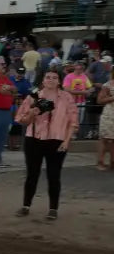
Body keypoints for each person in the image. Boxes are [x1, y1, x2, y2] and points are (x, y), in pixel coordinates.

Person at [15, 69, 78, 219]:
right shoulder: (33, 97)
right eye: (48, 77)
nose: (50, 80)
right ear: (43, 80)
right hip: (34, 139)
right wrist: (32, 113)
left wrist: (67, 140)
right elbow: (21, 119)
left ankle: (53, 209)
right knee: (32, 174)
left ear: (59, 81)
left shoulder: (66, 98)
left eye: (54, 77)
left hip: (56, 140)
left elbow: (73, 122)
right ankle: (26, 205)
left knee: (54, 175)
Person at [97, 74, 114, 170]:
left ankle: (112, 162)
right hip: (109, 114)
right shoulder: (107, 85)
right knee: (104, 138)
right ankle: (100, 162)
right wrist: (112, 98)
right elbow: (99, 100)